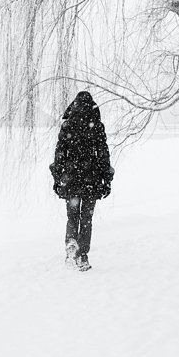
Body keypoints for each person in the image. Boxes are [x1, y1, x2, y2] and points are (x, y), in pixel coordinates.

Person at [49, 90, 114, 271]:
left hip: (71, 179)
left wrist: (57, 177)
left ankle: (71, 244)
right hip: (91, 180)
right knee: (86, 218)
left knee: (72, 217)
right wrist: (106, 179)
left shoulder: (68, 126)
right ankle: (83, 256)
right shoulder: (97, 126)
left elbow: (60, 154)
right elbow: (103, 155)